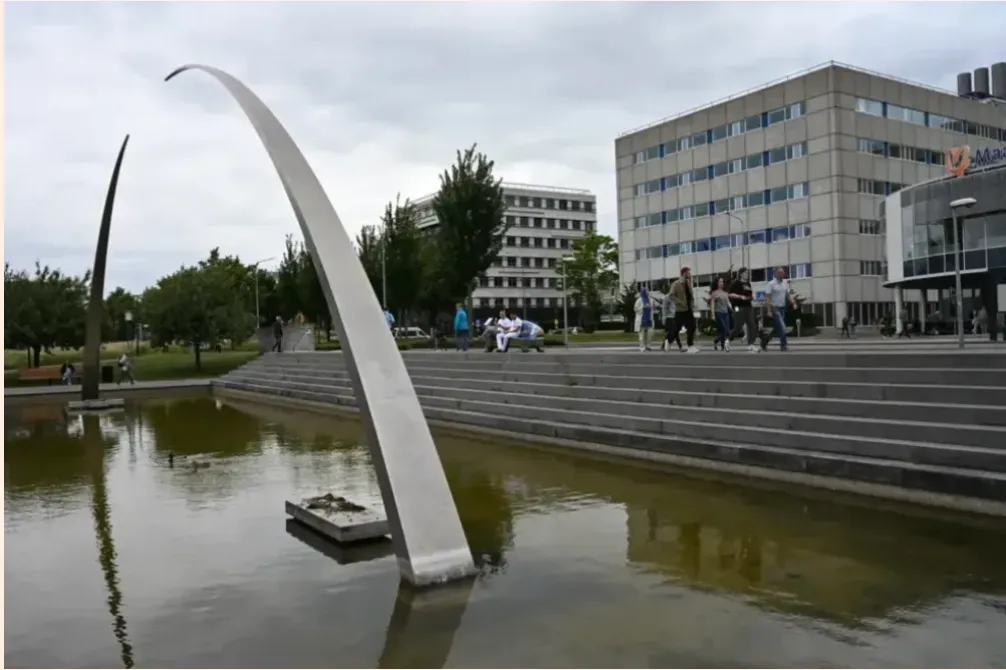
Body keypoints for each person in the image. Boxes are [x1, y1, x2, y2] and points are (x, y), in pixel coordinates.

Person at [760, 267, 797, 352]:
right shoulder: (771, 284)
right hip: (774, 308)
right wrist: (769, 310)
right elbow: (767, 298)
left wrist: (793, 303)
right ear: (775, 274)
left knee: (777, 329)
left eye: (783, 273)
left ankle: (764, 342)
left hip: (782, 308)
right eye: (780, 273)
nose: (782, 274)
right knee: (783, 327)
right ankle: (783, 346)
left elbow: (788, 295)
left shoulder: (784, 283)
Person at [669, 267, 699, 353]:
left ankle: (690, 345)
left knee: (692, 326)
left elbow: (690, 295)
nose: (690, 274)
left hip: (688, 309)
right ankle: (667, 341)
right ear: (683, 273)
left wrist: (693, 305)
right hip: (680, 310)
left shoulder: (688, 283)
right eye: (688, 273)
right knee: (676, 329)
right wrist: (680, 302)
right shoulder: (676, 284)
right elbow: (671, 296)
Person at [728, 268, 757, 352]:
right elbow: (730, 294)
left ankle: (751, 344)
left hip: (748, 306)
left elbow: (749, 294)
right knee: (738, 326)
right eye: (745, 273)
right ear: (740, 274)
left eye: (747, 273)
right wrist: (740, 297)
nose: (747, 274)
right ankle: (728, 340)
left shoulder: (748, 283)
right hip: (737, 306)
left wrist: (751, 298)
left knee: (752, 325)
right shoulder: (736, 283)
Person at [710, 277, 732, 352]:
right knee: (723, 329)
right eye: (720, 282)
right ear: (717, 283)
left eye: (722, 282)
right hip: (718, 313)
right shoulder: (714, 293)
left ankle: (717, 341)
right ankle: (724, 345)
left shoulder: (725, 293)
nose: (721, 283)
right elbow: (712, 304)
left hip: (726, 313)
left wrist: (733, 309)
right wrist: (713, 315)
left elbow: (728, 303)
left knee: (727, 330)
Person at [661, 280, 681, 352]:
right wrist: (664, 318)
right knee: (672, 333)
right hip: (669, 317)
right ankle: (667, 345)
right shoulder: (667, 297)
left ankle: (665, 345)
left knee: (675, 333)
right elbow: (664, 308)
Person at [634, 285, 654, 352]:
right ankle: (642, 347)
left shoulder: (650, 300)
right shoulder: (639, 300)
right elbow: (635, 308)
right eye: (646, 291)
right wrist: (643, 308)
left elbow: (652, 308)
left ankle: (648, 346)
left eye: (648, 291)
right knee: (641, 335)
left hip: (649, 320)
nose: (647, 292)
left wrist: (652, 307)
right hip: (641, 319)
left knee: (650, 334)